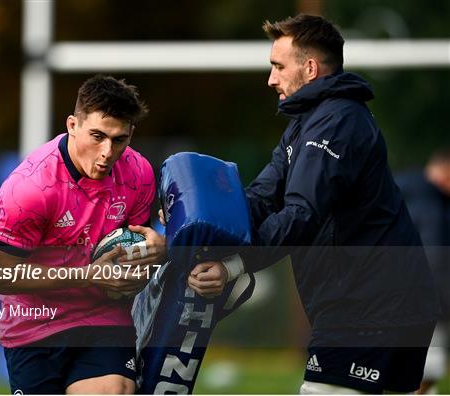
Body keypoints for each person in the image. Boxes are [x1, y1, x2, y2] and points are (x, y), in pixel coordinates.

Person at [184, 14, 440, 394]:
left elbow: (301, 215)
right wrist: (193, 223)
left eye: (278, 66)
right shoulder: (305, 125)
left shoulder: (338, 122)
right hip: (367, 306)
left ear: (309, 67)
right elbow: (259, 199)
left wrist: (232, 266)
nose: (271, 79)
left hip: (371, 309)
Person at [0, 75, 166, 394]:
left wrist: (156, 254)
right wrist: (90, 276)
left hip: (103, 320)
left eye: (119, 139)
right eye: (97, 136)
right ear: (72, 125)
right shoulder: (30, 188)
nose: (107, 152)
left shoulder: (138, 173)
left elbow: (133, 257)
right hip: (33, 328)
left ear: (131, 134)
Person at [395, 148, 450, 394]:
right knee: (426, 369)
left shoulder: (399, 190)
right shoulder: (432, 208)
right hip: (423, 302)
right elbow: (436, 263)